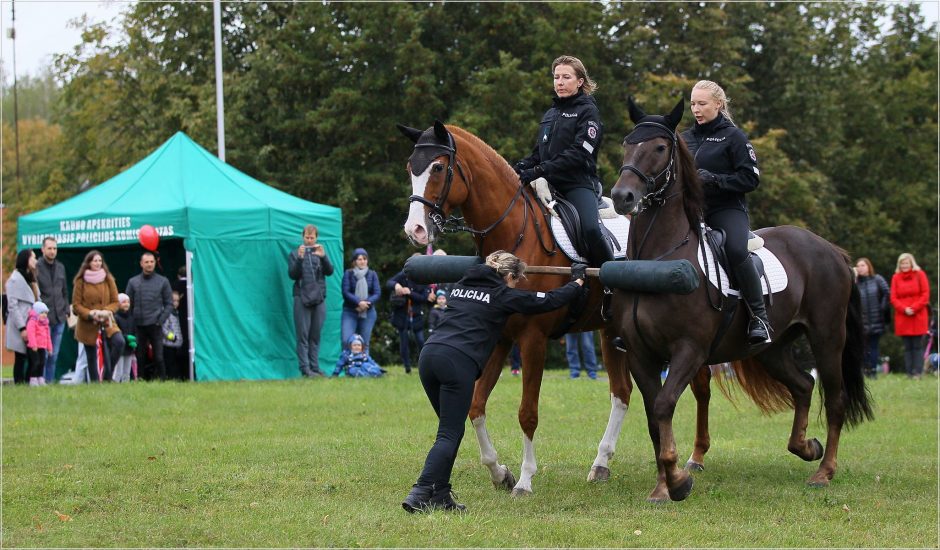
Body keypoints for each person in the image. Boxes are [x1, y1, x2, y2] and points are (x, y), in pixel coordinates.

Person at [402, 251, 586, 514]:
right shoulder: (502, 295)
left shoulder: (460, 286)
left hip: (429, 357)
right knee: (449, 434)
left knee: (450, 431)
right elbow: (549, 300)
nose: (515, 285)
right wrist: (577, 281)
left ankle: (441, 494)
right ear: (509, 276)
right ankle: (420, 492)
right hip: (457, 363)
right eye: (515, 280)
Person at [682, 80, 769, 346]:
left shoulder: (735, 137)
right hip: (689, 210)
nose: (696, 109)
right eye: (693, 104)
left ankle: (759, 318)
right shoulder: (684, 138)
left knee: (736, 250)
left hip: (725, 209)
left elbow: (750, 179)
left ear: (718, 104)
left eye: (702, 104)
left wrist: (716, 180)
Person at [514, 55, 613, 268]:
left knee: (591, 229)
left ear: (580, 81)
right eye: (556, 77)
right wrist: (521, 166)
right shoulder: (551, 113)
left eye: (566, 77)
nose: (559, 82)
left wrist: (540, 170)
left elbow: (579, 154)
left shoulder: (588, 111)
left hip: (577, 184)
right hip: (548, 183)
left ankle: (612, 279)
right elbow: (539, 153)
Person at [288, 224, 334, 378]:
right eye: (307, 237)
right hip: (301, 297)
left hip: (319, 298)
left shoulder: (319, 253)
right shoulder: (295, 254)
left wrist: (324, 256)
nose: (309, 240)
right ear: (302, 237)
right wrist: (300, 259)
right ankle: (305, 369)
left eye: (312, 237)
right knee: (303, 335)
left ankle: (315, 368)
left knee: (315, 335)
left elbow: (330, 271)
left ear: (316, 238)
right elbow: (292, 275)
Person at [72, 250, 125, 382]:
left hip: (107, 321)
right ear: (89, 262)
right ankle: (95, 384)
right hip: (88, 324)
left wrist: (106, 311)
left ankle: (107, 375)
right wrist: (91, 314)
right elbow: (76, 305)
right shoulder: (80, 281)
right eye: (95, 260)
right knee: (91, 357)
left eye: (100, 260)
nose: (97, 263)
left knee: (119, 342)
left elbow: (115, 302)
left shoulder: (108, 279)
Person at [126, 251, 173, 381]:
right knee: (140, 356)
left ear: (155, 263)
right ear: (141, 264)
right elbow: (127, 304)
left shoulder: (163, 281)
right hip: (138, 325)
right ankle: (140, 380)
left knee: (158, 357)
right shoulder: (133, 282)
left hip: (156, 325)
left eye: (152, 262)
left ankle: (163, 381)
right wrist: (132, 321)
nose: (149, 264)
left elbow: (169, 304)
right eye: (146, 262)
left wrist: (160, 320)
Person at [890, 252, 931, 379]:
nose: (904, 265)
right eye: (902, 263)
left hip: (918, 315)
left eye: (906, 263)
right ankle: (909, 372)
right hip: (903, 316)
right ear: (899, 265)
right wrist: (904, 309)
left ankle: (918, 373)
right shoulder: (896, 277)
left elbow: (925, 294)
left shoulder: (920, 274)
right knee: (907, 347)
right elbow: (893, 297)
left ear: (911, 263)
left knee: (917, 346)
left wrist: (914, 308)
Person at [387, 261, 431, 374]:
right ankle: (407, 367)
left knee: (421, 341)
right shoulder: (403, 275)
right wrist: (396, 285)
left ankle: (424, 366)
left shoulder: (424, 279)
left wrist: (409, 293)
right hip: (402, 315)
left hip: (417, 315)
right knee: (404, 342)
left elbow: (423, 298)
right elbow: (389, 282)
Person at [36, 237, 69, 383]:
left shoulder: (61, 267)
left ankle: (49, 382)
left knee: (54, 354)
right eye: (49, 248)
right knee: (43, 353)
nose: (52, 251)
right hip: (43, 318)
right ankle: (40, 380)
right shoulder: (36, 267)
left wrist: (66, 308)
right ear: (42, 249)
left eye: (55, 248)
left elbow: (64, 290)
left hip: (59, 317)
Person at [5, 249, 39, 384]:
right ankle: (20, 384)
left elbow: (37, 299)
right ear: (26, 259)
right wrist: (22, 328)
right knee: (21, 357)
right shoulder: (14, 280)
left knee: (34, 358)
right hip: (22, 324)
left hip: (33, 322)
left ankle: (28, 382)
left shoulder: (32, 277)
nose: (35, 261)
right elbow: (13, 306)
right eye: (33, 258)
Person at [855, 257, 891, 378]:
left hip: (876, 319)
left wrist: (883, 307)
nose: (860, 268)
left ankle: (873, 370)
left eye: (863, 265)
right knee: (863, 347)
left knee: (874, 347)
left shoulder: (877, 279)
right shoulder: (856, 283)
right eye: (858, 266)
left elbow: (887, 293)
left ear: (868, 266)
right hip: (861, 321)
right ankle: (866, 369)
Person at [340, 248, 381, 352]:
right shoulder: (348, 274)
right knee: (346, 340)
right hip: (350, 311)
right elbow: (346, 292)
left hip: (368, 312)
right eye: (359, 259)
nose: (362, 261)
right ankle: (348, 366)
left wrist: (366, 304)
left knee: (364, 343)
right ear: (354, 261)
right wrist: (358, 302)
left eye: (364, 259)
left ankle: (364, 367)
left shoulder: (372, 274)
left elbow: (377, 293)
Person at [26, 302, 53, 386]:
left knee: (42, 362)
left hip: (42, 347)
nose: (44, 315)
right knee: (35, 362)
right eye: (42, 313)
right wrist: (33, 345)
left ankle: (40, 378)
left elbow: (48, 337)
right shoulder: (32, 321)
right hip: (34, 347)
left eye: (45, 313)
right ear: (37, 313)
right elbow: (31, 334)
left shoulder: (45, 324)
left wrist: (49, 348)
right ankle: (33, 379)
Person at [113, 293, 138, 382]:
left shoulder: (132, 318)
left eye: (128, 302)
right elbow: (116, 333)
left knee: (126, 372)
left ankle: (125, 386)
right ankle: (115, 385)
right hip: (119, 349)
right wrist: (126, 338)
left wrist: (135, 341)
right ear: (118, 304)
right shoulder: (116, 317)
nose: (126, 304)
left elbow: (135, 331)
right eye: (124, 302)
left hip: (129, 349)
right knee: (118, 371)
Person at [162, 291, 185, 380]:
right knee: (170, 364)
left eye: (177, 301)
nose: (175, 303)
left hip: (177, 345)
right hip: (168, 344)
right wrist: (172, 337)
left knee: (176, 364)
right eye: (173, 300)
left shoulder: (178, 313)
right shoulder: (166, 313)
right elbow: (163, 328)